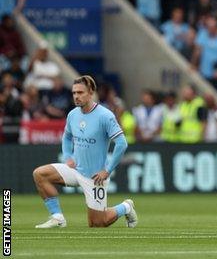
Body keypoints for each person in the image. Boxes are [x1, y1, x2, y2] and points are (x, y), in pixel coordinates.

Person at [31, 75, 138, 228]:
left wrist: (107, 171)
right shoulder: (73, 115)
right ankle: (57, 217)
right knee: (39, 174)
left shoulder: (105, 116)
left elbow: (122, 143)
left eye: (80, 93)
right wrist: (68, 156)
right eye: (74, 93)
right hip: (75, 169)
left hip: (95, 177)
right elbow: (67, 137)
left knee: (98, 223)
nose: (76, 96)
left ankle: (126, 207)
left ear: (91, 92)